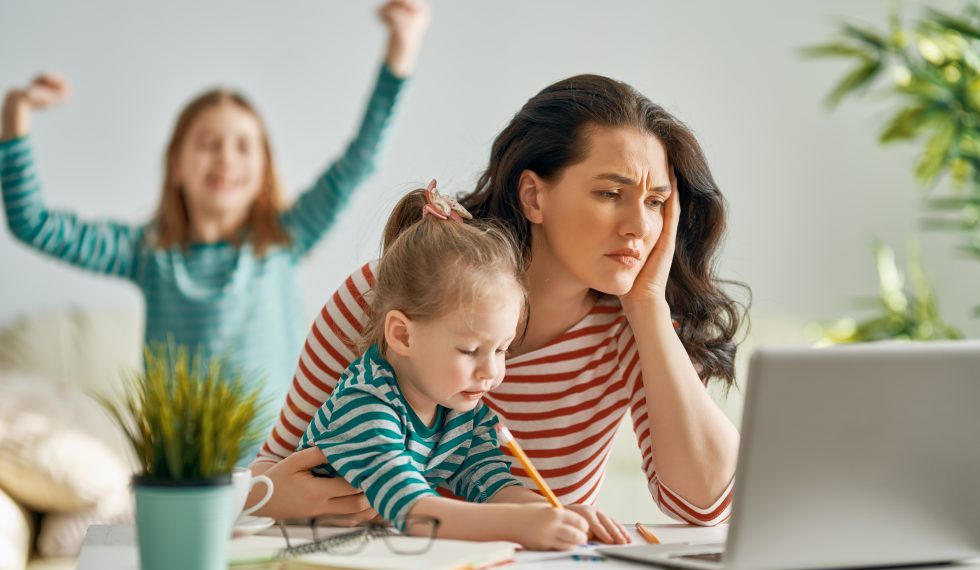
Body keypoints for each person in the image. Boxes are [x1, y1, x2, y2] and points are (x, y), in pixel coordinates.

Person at [251, 73, 745, 528]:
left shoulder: (631, 329)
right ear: (534, 197)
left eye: (656, 202)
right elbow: (271, 468)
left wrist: (649, 306)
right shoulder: (385, 296)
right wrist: (272, 498)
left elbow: (705, 505)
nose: (639, 226)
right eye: (609, 193)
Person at [0, 1, 430, 434]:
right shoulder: (148, 253)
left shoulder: (284, 237)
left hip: (275, 465)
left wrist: (401, 48)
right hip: (182, 468)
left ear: (263, 172)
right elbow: (32, 223)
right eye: (208, 142)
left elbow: (360, 159)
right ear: (178, 166)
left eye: (243, 146)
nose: (226, 156)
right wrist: (15, 113)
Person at [296, 182, 630, 550]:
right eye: (470, 350)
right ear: (402, 336)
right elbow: (412, 511)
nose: (492, 372)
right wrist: (521, 525)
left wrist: (559, 513)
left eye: (502, 349)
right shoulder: (364, 406)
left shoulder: (457, 409)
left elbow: (493, 487)